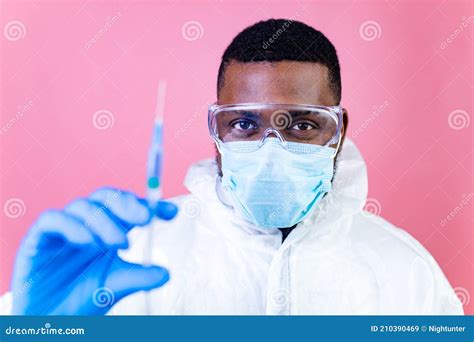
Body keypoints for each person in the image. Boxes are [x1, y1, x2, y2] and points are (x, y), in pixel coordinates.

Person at [0, 19, 463, 315]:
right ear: (216, 131)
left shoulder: (406, 272)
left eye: (302, 124)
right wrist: (33, 328)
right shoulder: (130, 260)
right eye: (243, 123)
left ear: (338, 130)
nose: (271, 149)